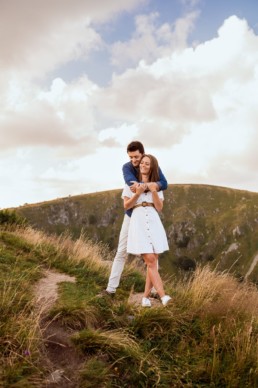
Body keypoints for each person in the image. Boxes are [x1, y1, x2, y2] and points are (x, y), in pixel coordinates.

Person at [105, 141, 168, 295]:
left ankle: (153, 290)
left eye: (136, 156)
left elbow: (164, 183)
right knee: (122, 251)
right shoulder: (127, 167)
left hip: (148, 216)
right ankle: (111, 288)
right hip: (131, 215)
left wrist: (147, 186)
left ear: (143, 154)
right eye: (131, 157)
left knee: (153, 254)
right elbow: (130, 183)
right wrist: (149, 186)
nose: (134, 160)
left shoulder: (152, 165)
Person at [122, 154, 171, 307]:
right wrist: (137, 193)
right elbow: (126, 206)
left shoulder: (156, 186)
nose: (143, 165)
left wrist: (154, 190)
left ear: (152, 167)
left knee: (153, 262)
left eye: (147, 163)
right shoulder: (130, 185)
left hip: (153, 220)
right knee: (150, 259)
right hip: (138, 221)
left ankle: (145, 297)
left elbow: (160, 207)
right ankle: (163, 297)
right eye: (142, 163)